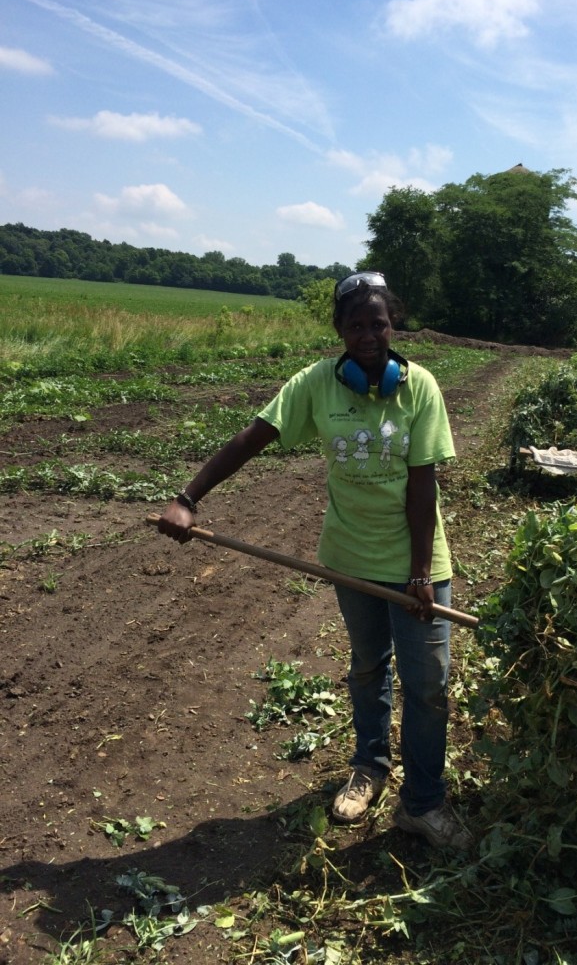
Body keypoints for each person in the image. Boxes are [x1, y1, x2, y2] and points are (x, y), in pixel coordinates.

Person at [157, 271, 471, 850]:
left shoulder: (420, 387)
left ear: (392, 325)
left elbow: (422, 485)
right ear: (340, 331)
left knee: (427, 685)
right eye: (356, 325)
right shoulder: (315, 385)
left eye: (378, 323)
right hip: (349, 558)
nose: (369, 335)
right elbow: (252, 438)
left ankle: (423, 803)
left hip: (419, 565)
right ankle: (369, 768)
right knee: (368, 667)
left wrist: (421, 573)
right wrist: (187, 498)